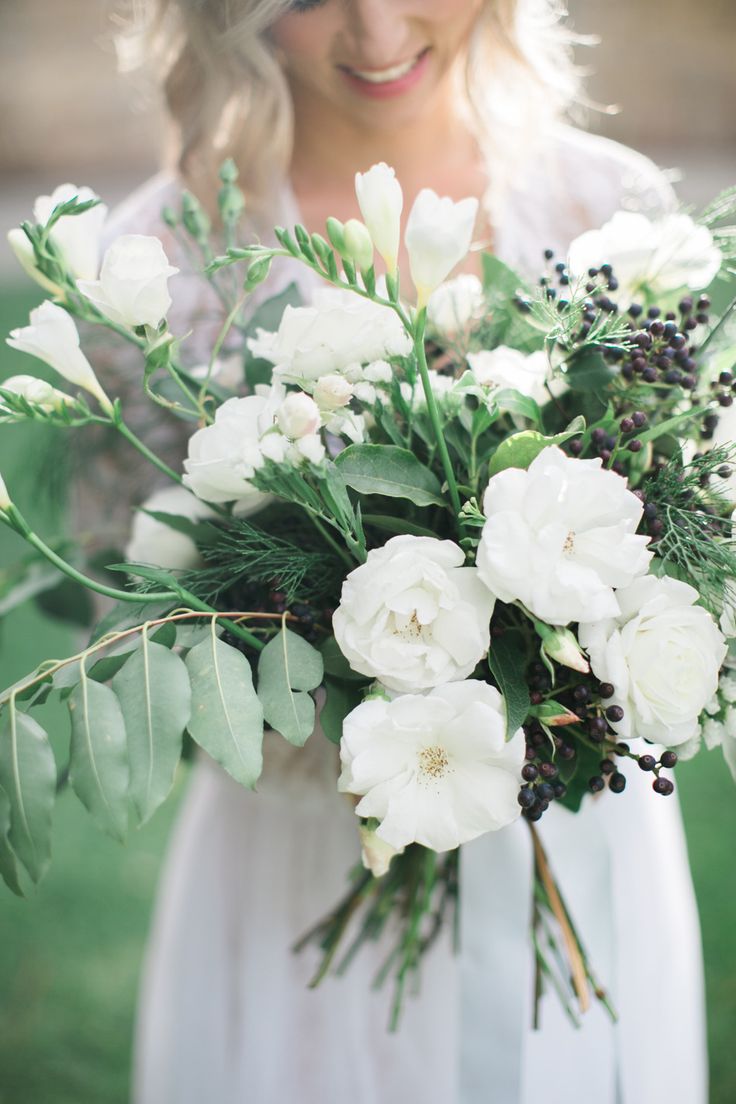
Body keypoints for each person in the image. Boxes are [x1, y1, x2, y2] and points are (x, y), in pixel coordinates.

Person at [104, 2, 708, 1101]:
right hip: (302, 847)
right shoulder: (155, 273)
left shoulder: (611, 219)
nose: (376, 35)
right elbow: (133, 582)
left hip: (570, 842)